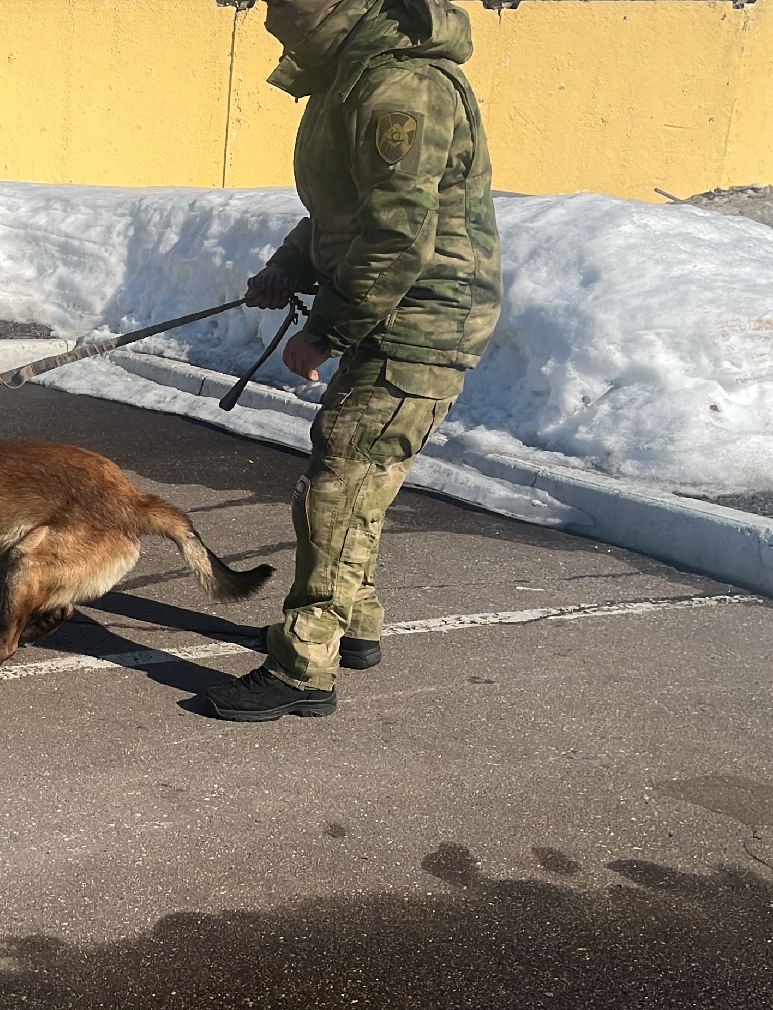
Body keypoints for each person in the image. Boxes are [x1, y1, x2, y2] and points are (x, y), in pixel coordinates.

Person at [205, 0, 502, 723]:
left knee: (337, 488)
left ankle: (303, 666)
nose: (271, 19)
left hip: (417, 324)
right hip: (391, 315)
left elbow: (397, 235)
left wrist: (325, 333)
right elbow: (342, 214)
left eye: (282, 5)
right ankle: (354, 625)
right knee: (357, 479)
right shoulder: (354, 76)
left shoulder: (399, 87)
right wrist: (288, 266)